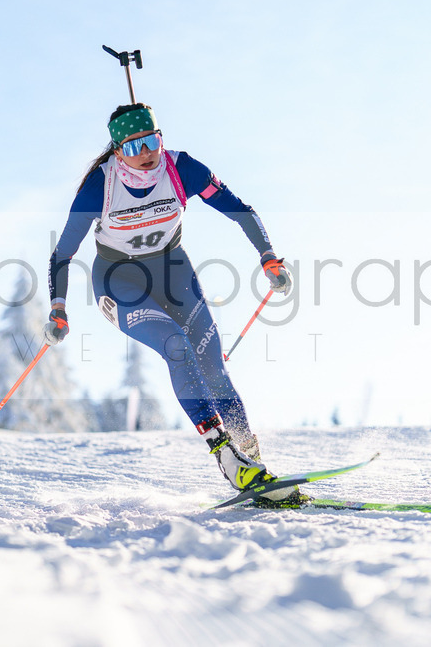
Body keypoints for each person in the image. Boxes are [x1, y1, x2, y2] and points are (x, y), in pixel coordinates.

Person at [44, 103, 298, 503]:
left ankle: (254, 464)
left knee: (212, 363)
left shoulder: (182, 169)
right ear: (117, 151)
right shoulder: (101, 186)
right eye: (135, 146)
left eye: (153, 141)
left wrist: (268, 255)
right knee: (176, 345)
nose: (147, 153)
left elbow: (240, 210)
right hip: (119, 281)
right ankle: (228, 460)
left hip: (174, 272)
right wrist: (58, 308)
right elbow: (62, 253)